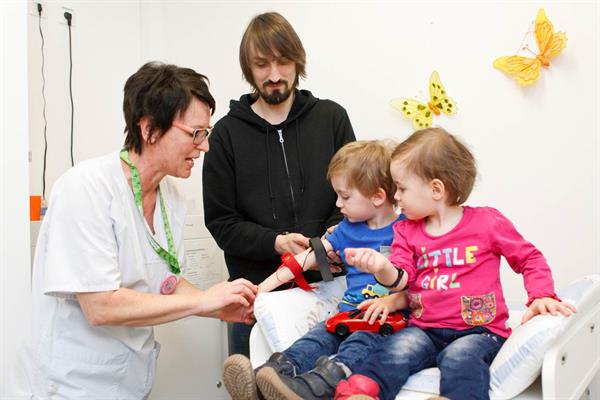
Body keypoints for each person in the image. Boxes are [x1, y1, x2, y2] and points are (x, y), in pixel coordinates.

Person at [14, 62, 257, 399]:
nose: (205, 147)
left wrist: (220, 306)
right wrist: (203, 301)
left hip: (128, 379)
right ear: (149, 129)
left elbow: (168, 283)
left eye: (207, 132)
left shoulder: (172, 196)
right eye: (195, 133)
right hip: (70, 384)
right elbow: (101, 306)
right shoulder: (86, 188)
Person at [334, 127, 577, 400]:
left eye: (401, 188)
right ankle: (361, 392)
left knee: (460, 358)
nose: (397, 197)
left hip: (480, 331)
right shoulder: (406, 232)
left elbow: (529, 258)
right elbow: (402, 276)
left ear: (436, 189)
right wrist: (381, 267)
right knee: (395, 351)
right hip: (424, 328)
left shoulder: (487, 223)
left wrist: (541, 294)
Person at [202, 11, 356, 357]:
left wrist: (327, 242)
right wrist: (275, 243)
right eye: (261, 66)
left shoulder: (332, 119)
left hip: (332, 292)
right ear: (248, 69)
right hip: (256, 297)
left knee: (331, 385)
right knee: (254, 388)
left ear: (297, 61)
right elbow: (222, 223)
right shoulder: (225, 135)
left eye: (283, 62)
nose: (274, 76)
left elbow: (355, 196)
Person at [221, 140, 406, 400]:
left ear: (377, 196)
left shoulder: (408, 230)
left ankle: (310, 388)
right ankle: (265, 379)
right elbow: (304, 260)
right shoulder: (346, 229)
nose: (338, 204)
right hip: (346, 313)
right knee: (314, 339)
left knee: (355, 347)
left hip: (385, 321)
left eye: (345, 196)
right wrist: (259, 290)